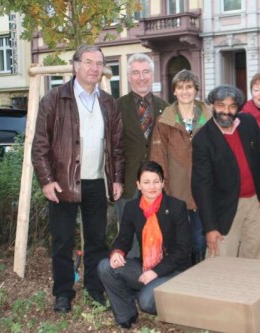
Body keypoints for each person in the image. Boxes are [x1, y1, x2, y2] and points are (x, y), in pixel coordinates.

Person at [32, 44, 124, 313]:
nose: (94, 68)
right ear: (75, 65)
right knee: (62, 241)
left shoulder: (109, 102)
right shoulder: (53, 99)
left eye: (99, 63)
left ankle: (94, 289)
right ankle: (62, 293)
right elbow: (40, 145)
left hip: (97, 182)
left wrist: (116, 179)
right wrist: (46, 180)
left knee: (97, 240)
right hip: (63, 182)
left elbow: (117, 147)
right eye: (88, 62)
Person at [98, 161, 191, 329]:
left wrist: (156, 272)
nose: (152, 187)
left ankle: (179, 303)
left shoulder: (177, 207)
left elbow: (183, 250)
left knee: (146, 302)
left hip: (173, 271)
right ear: (138, 185)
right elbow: (123, 239)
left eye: (156, 181)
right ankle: (126, 314)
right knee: (106, 266)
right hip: (146, 267)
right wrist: (117, 252)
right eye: (146, 182)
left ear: (163, 183)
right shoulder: (132, 208)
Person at [191, 85, 260, 260]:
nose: (226, 111)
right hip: (224, 208)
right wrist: (210, 227)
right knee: (220, 259)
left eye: (232, 106)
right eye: (221, 105)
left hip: (254, 204)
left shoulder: (248, 123)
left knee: (255, 254)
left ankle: (250, 288)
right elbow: (201, 187)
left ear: (238, 108)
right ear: (212, 105)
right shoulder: (203, 139)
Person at [150, 69, 211, 265]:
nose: (185, 91)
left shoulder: (210, 119)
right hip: (176, 190)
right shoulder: (165, 121)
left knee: (200, 241)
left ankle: (200, 279)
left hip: (204, 190)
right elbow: (158, 157)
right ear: (174, 91)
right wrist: (162, 189)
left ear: (196, 90)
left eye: (189, 87)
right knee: (179, 241)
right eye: (180, 87)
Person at [117, 53, 170, 258]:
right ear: (129, 76)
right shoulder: (116, 107)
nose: (141, 77)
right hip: (128, 183)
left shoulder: (165, 107)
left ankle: (156, 280)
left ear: (152, 75)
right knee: (130, 238)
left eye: (146, 72)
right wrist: (116, 180)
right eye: (136, 73)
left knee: (159, 235)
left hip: (157, 184)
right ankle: (131, 281)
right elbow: (112, 148)